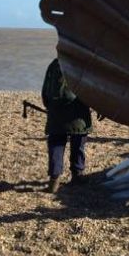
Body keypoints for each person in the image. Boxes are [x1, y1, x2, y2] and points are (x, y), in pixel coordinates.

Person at [41, 58, 93, 193]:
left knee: (56, 143)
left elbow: (45, 91)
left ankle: (54, 179)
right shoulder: (82, 64)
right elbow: (92, 89)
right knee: (78, 143)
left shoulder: (54, 64)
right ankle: (77, 174)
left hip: (56, 113)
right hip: (78, 113)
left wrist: (50, 107)